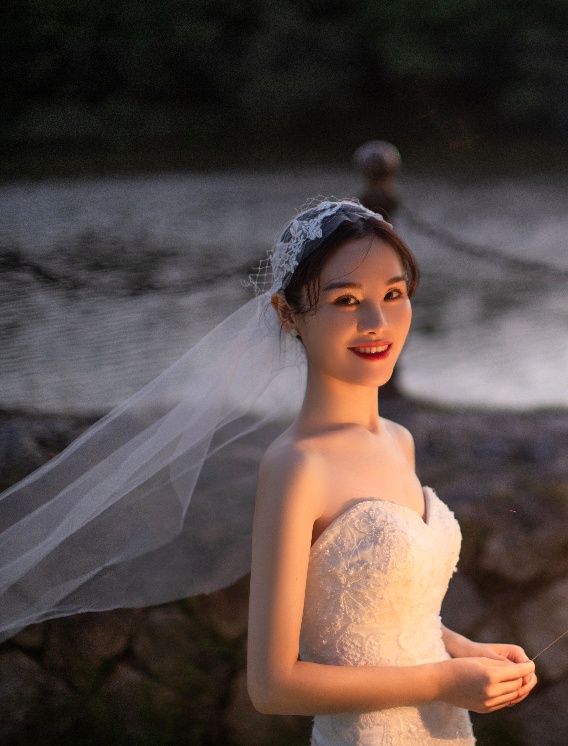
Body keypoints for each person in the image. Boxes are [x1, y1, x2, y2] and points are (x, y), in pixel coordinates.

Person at [0, 199, 536, 744]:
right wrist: (443, 681)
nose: (378, 322)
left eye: (393, 295)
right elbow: (273, 686)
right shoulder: (297, 466)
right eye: (346, 300)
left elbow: (392, 617)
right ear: (287, 314)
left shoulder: (400, 442)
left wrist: (464, 651)